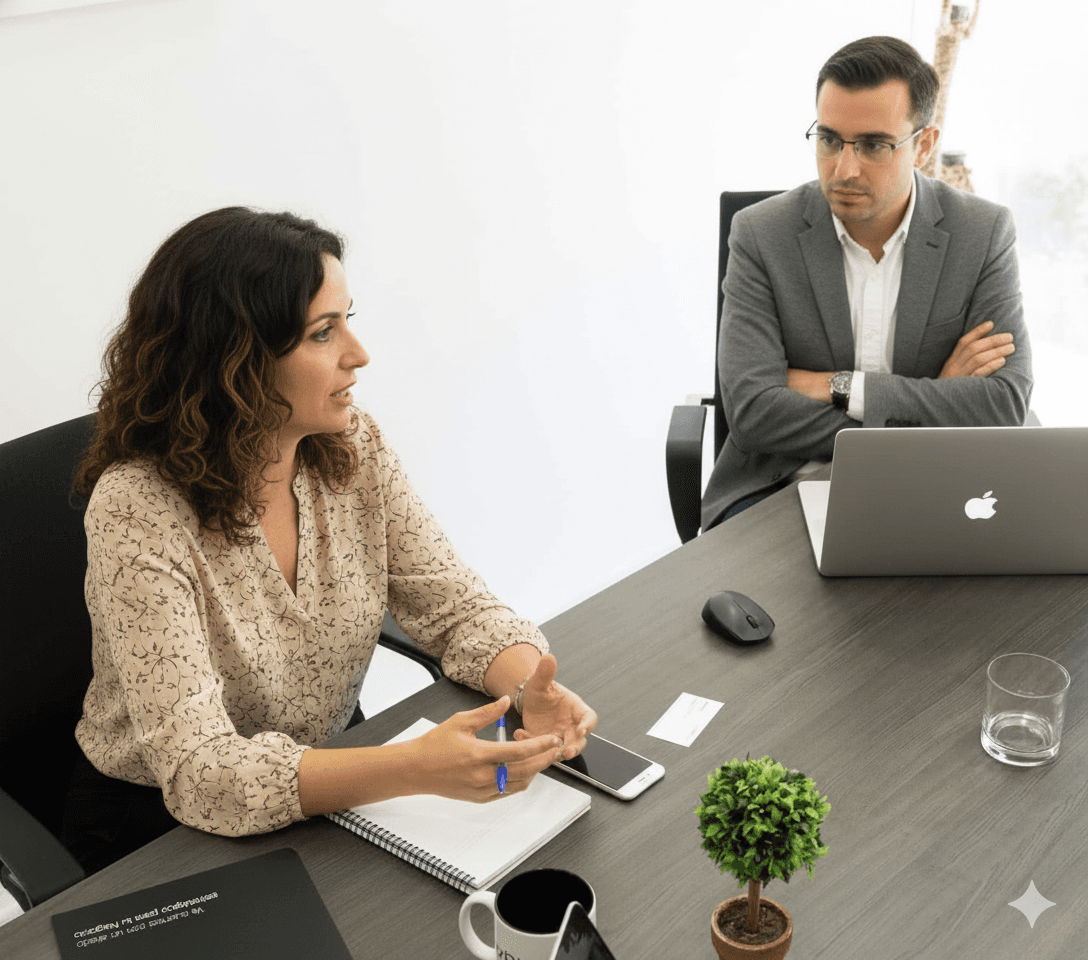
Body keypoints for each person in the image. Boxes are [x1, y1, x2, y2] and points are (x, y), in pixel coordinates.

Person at [66, 206, 597, 875]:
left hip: (327, 785)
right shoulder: (138, 507)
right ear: (235, 361)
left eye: (350, 318)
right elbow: (200, 772)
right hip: (157, 828)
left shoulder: (353, 447)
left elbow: (455, 608)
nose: (358, 353)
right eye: (324, 332)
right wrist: (412, 767)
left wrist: (529, 688)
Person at [701, 36, 1033, 531]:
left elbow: (1003, 403)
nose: (844, 168)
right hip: (782, 483)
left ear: (924, 145)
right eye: (830, 139)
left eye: (875, 144)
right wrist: (934, 401)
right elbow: (753, 412)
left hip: (942, 482)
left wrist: (841, 387)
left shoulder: (982, 233)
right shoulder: (758, 233)